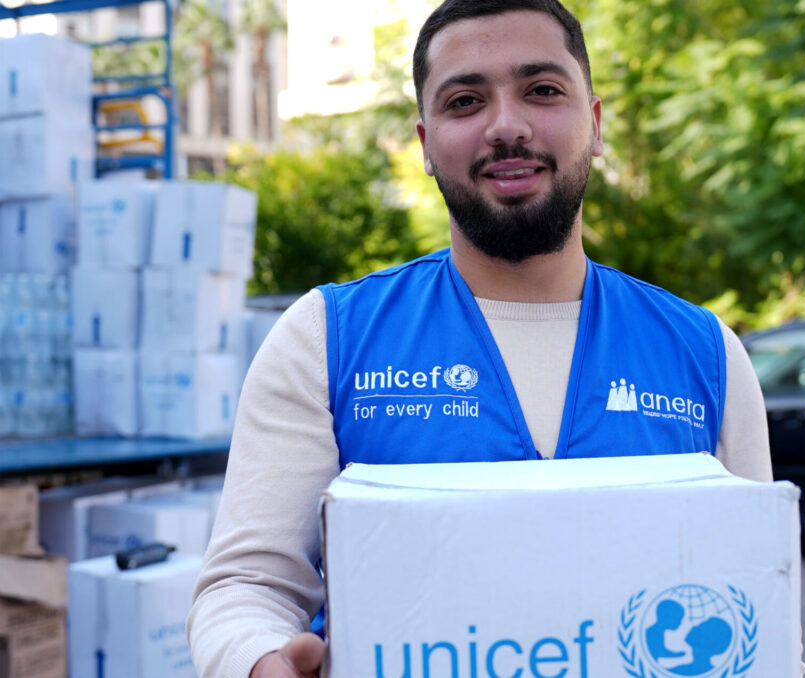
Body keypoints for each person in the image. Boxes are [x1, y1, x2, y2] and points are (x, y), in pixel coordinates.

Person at [186, 1, 773, 676]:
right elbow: (245, 587)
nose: (507, 126)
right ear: (426, 143)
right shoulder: (327, 339)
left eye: (542, 90)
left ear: (596, 122)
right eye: (465, 101)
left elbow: (759, 595)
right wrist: (259, 658)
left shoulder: (706, 354)